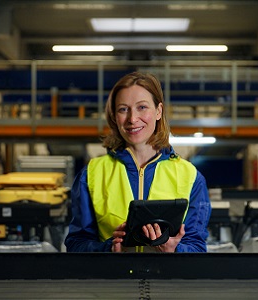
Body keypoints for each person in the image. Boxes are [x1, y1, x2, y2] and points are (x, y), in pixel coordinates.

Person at [64, 71, 211, 253]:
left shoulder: (191, 177)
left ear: (158, 111)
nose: (132, 119)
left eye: (142, 107)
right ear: (114, 117)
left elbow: (197, 248)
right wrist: (109, 249)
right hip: (113, 279)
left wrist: (173, 250)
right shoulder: (91, 174)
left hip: (165, 279)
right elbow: (76, 244)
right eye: (123, 109)